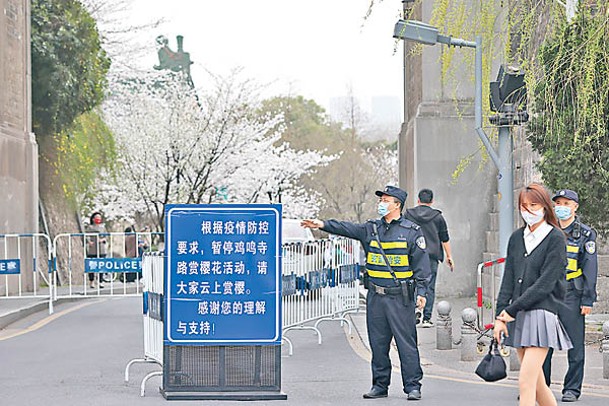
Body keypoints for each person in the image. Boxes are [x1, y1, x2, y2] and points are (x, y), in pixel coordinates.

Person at [302, 185, 431, 401]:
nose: (381, 204)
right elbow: (346, 228)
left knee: (406, 343)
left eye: (386, 200)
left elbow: (422, 266)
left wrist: (422, 292)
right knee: (378, 343)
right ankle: (380, 385)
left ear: (397, 205)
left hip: (400, 298)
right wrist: (322, 224)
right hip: (376, 297)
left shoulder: (411, 232)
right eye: (381, 200)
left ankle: (412, 386)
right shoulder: (371, 229)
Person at [493, 183, 572, 406]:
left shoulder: (555, 238)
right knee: (537, 386)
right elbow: (507, 280)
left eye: (533, 205)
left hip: (542, 313)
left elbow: (545, 284)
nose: (528, 211)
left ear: (545, 207)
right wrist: (501, 315)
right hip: (517, 315)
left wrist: (510, 310)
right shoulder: (517, 238)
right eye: (524, 206)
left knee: (526, 383)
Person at [542, 189, 598, 402]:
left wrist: (587, 298)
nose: (561, 207)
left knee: (575, 345)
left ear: (575, 207)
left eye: (566, 203)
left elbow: (590, 267)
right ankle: (540, 386)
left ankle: (572, 389)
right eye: (558, 203)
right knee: (541, 343)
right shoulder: (546, 230)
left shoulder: (585, 234)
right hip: (547, 291)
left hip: (571, 293)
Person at [405, 188, 454, 328]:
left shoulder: (408, 215)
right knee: (429, 287)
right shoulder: (438, 217)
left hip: (412, 255)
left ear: (418, 200)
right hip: (431, 256)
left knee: (413, 283)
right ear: (432, 201)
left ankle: (414, 311)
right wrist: (449, 256)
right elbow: (444, 238)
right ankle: (426, 318)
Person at [85, 211, 108, 289]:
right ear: (93, 219)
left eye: (99, 218)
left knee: (101, 265)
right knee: (92, 265)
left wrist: (102, 240)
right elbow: (86, 236)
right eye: (96, 218)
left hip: (101, 249)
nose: (98, 219)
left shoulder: (103, 227)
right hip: (92, 249)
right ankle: (91, 281)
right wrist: (89, 241)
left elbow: (106, 236)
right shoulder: (90, 227)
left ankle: (101, 281)